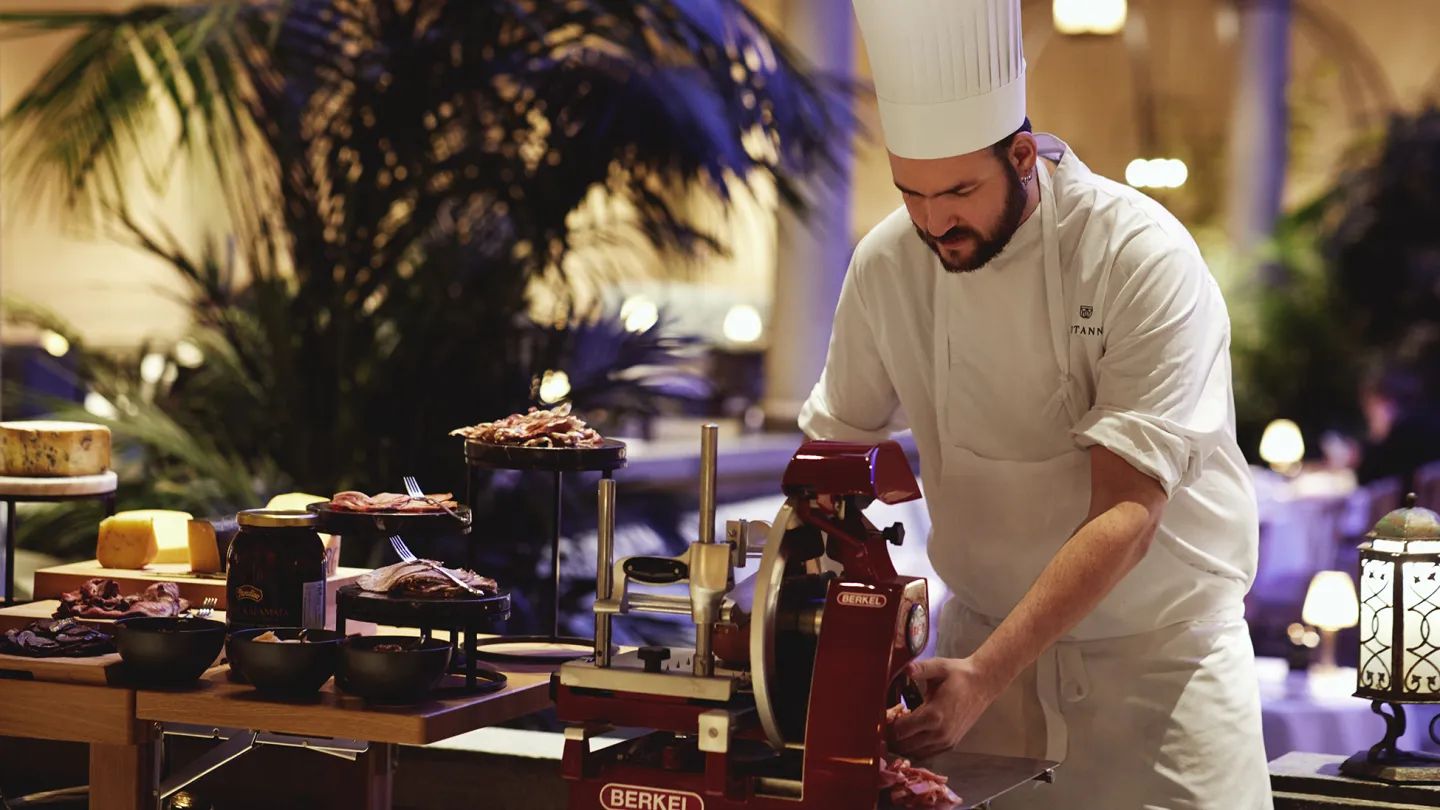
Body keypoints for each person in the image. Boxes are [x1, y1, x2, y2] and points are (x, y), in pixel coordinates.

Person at [798, 1, 1271, 807]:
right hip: (971, 673)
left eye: (957, 191)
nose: (933, 221)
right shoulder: (887, 263)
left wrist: (986, 676)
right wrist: (833, 624)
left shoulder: (1137, 253)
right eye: (910, 192)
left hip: (1159, 679)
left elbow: (1129, 510)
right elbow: (833, 459)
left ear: (1024, 155)